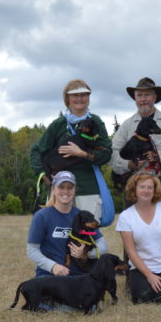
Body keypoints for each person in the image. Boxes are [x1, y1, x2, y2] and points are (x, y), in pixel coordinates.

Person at [30, 79, 112, 221]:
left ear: (88, 98)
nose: (79, 99)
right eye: (75, 95)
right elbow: (36, 151)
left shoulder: (96, 122)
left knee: (87, 234)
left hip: (88, 189)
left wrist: (82, 154)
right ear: (67, 99)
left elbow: (106, 154)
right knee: (57, 234)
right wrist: (42, 173)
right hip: (61, 190)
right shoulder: (59, 124)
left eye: (83, 95)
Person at [26, 171, 109, 310]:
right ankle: (47, 301)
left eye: (70, 187)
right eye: (61, 187)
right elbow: (31, 250)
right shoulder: (42, 216)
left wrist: (87, 253)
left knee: (89, 307)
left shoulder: (81, 215)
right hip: (50, 276)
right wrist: (53, 266)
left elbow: (103, 245)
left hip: (78, 279)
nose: (66, 191)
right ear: (53, 189)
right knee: (72, 307)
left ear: (75, 190)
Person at [111, 77, 161, 210]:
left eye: (147, 94)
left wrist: (160, 156)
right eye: (139, 95)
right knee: (132, 228)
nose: (143, 99)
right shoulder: (127, 125)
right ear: (135, 98)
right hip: (134, 184)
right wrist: (128, 164)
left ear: (154, 97)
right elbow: (112, 153)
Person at [116, 173, 161, 304]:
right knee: (143, 299)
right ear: (134, 189)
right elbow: (131, 252)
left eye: (150, 187)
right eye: (142, 187)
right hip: (142, 269)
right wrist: (149, 275)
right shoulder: (125, 216)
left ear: (155, 190)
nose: (146, 191)